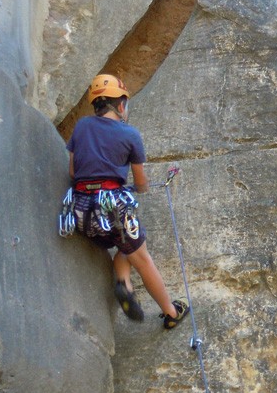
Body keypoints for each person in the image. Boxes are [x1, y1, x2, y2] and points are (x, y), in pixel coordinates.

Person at [66, 74, 188, 329]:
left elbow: (73, 172)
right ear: (120, 105)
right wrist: (137, 187)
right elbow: (141, 182)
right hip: (113, 210)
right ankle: (171, 312)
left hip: (80, 213)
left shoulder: (81, 127)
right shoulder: (129, 134)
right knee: (141, 255)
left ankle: (124, 283)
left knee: (124, 246)